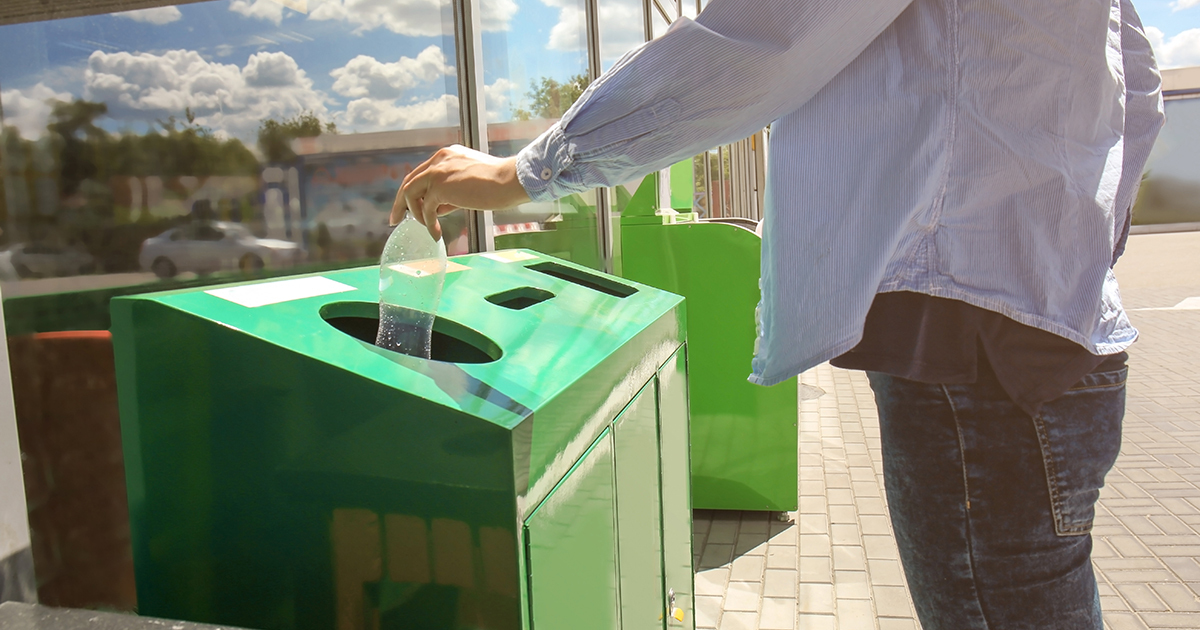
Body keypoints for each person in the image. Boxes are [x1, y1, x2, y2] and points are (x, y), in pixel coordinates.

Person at [392, 0, 1165, 627]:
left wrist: (529, 169)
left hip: (967, 342)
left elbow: (763, 41)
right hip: (1050, 330)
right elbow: (1137, 87)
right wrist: (1071, 251)